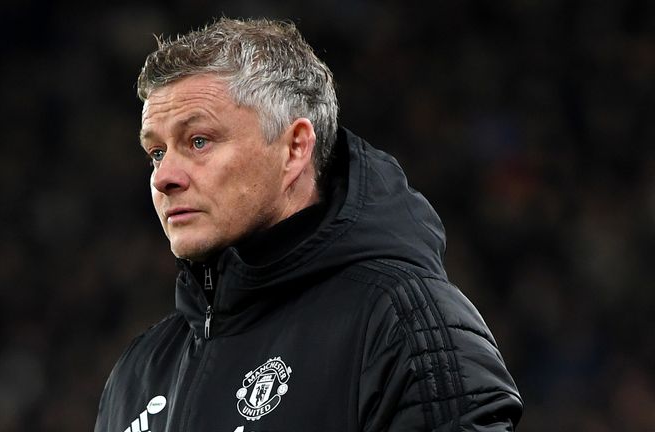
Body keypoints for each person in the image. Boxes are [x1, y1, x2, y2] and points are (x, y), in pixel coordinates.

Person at [95, 18, 523, 432]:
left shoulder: (401, 326)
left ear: (295, 147)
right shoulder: (139, 371)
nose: (163, 176)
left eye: (199, 141)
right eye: (156, 152)